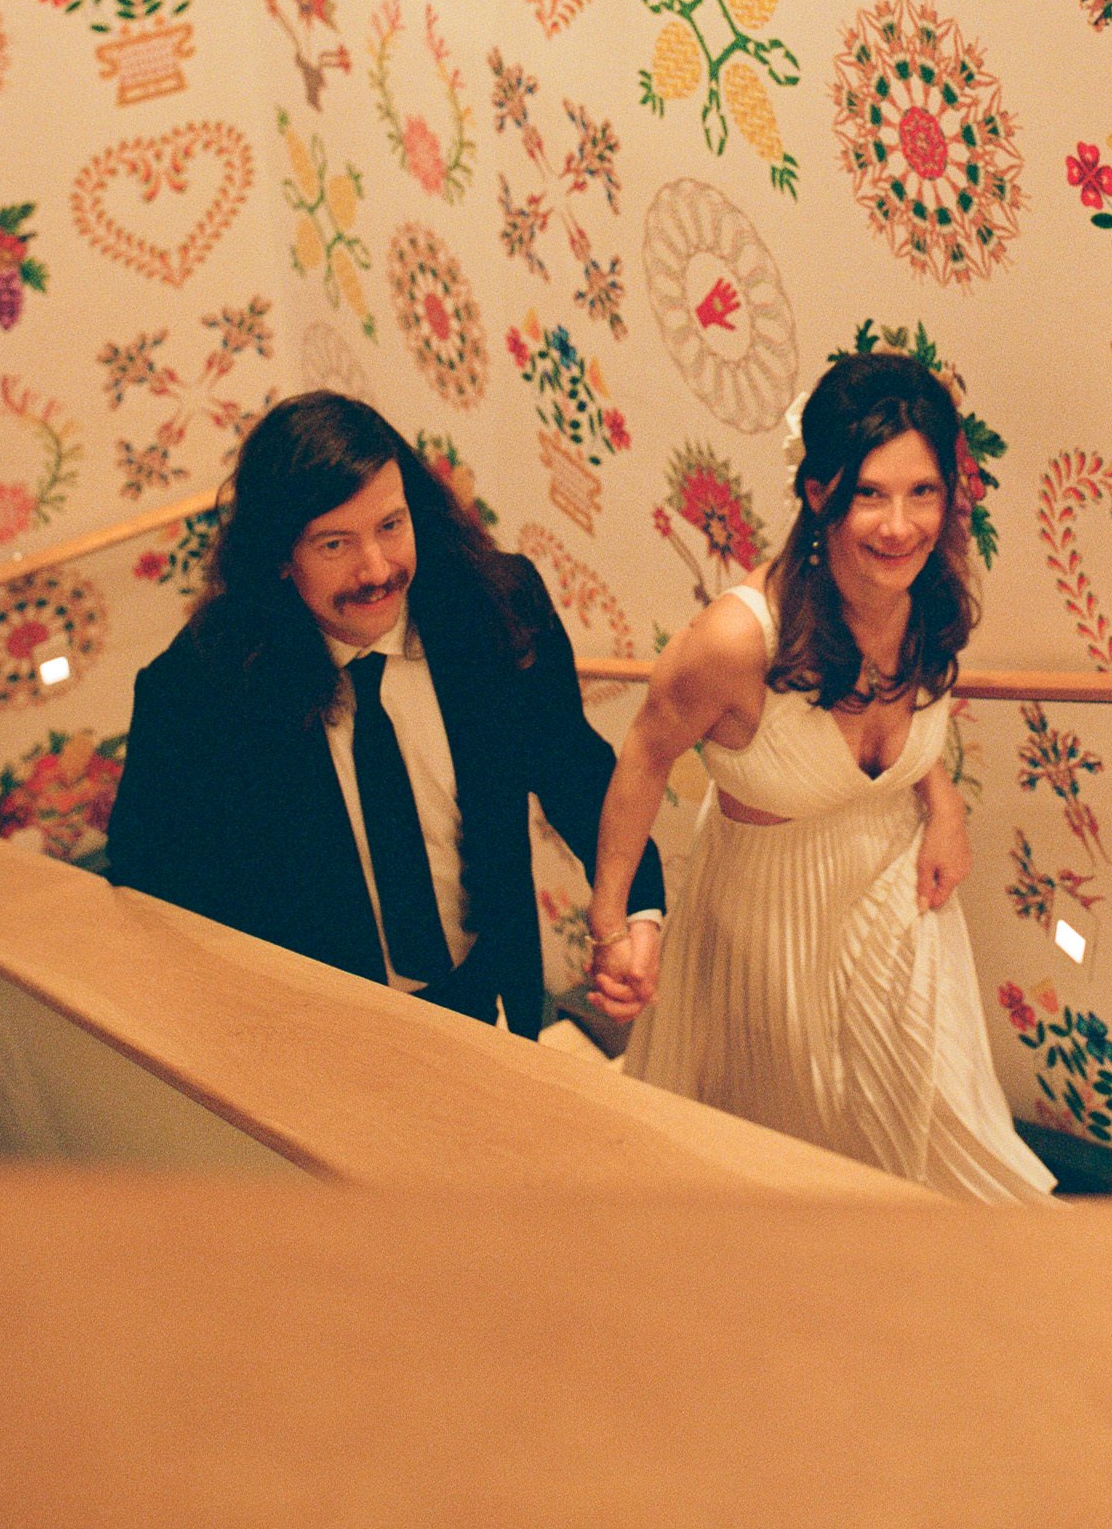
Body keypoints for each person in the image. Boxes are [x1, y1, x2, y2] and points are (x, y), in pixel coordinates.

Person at [588, 350, 1055, 1201]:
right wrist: (610, 920)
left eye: (922, 493)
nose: (898, 525)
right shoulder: (738, 641)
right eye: (869, 493)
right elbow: (644, 755)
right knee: (789, 1174)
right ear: (817, 493)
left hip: (896, 896)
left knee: (946, 1134)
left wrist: (940, 802)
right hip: (766, 924)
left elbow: (912, 734)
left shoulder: (934, 597)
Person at [106, 391, 664, 1036]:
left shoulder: (496, 611)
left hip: (486, 986)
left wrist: (632, 914)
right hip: (314, 1024)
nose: (377, 570)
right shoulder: (200, 688)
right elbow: (155, 880)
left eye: (391, 527)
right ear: (280, 558)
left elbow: (579, 775)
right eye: (335, 543)